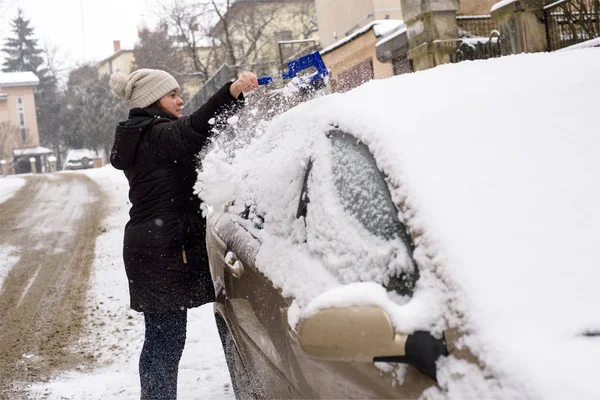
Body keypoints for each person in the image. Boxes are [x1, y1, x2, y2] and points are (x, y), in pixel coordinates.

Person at [108, 68, 259, 399]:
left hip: (153, 245)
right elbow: (194, 128)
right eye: (172, 94)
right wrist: (230, 92)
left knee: (163, 338)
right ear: (153, 100)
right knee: (165, 340)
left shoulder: (144, 134)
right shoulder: (157, 135)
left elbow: (191, 130)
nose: (180, 100)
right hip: (161, 247)